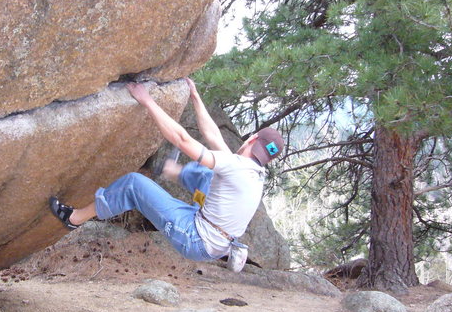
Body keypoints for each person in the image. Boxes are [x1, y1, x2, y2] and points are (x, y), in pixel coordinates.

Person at [49, 78, 284, 263]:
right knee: (206, 174)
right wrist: (195, 97)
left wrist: (147, 100)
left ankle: (74, 218)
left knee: (133, 184)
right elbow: (214, 136)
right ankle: (174, 173)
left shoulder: (236, 166)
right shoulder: (252, 173)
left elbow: (182, 140)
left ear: (253, 139)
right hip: (212, 238)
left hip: (194, 237)